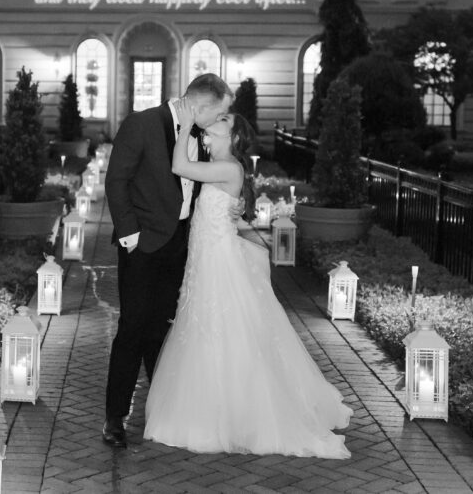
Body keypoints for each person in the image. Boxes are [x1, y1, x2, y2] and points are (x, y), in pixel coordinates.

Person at [143, 102, 352, 458]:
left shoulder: (229, 168)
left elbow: (179, 166)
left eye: (222, 120)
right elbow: (216, 208)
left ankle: (237, 413)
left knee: (225, 327)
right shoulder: (214, 168)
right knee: (203, 325)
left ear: (234, 135)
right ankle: (207, 405)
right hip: (203, 259)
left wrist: (186, 124)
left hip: (218, 262)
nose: (215, 121)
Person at [102, 73, 234, 448]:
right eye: (219, 112)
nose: (220, 120)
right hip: (142, 245)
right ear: (200, 105)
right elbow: (117, 181)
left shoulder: (203, 137)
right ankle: (115, 417)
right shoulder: (142, 123)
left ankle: (160, 410)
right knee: (132, 329)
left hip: (180, 244)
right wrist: (130, 236)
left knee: (161, 330)